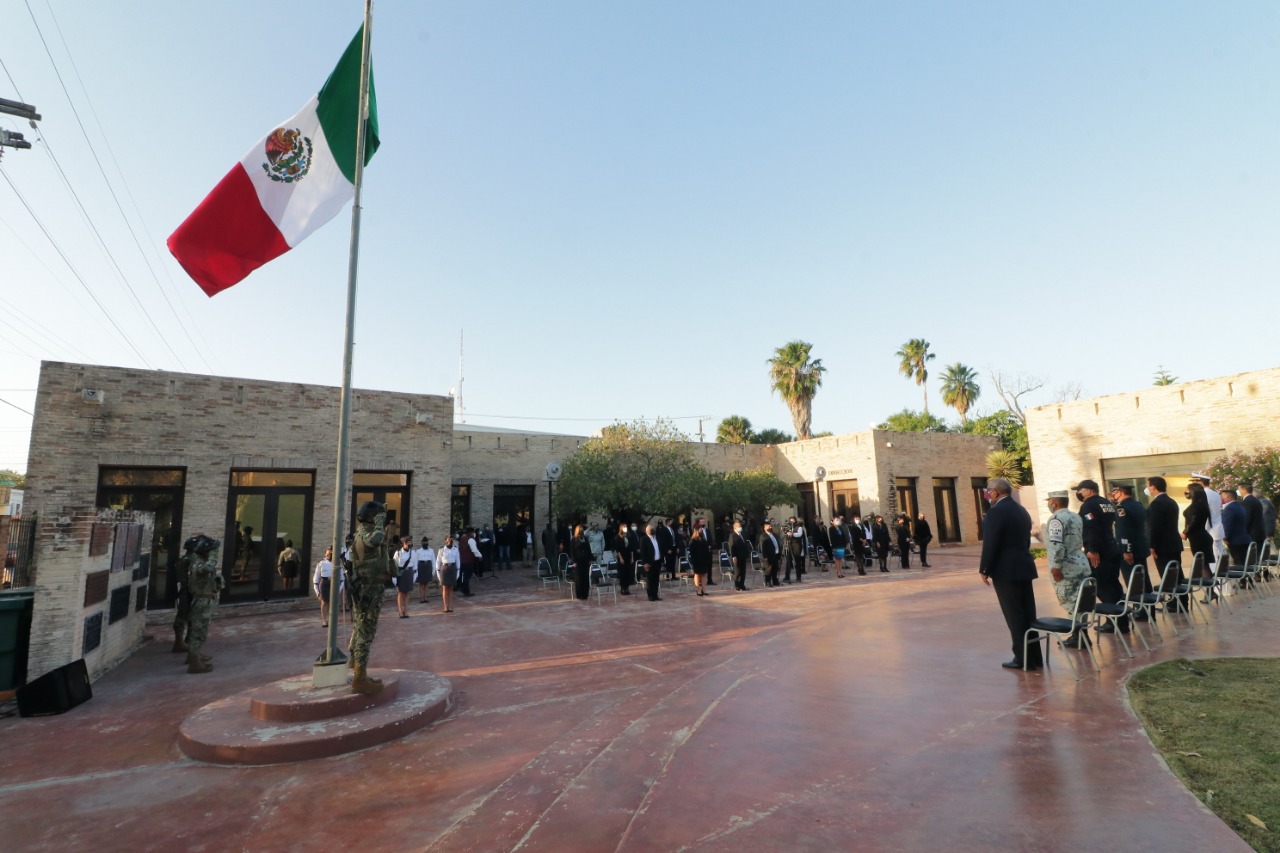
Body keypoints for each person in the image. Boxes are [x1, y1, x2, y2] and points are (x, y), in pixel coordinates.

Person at [978, 478, 1043, 671]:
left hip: (1006, 570)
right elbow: (1025, 541)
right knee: (1028, 614)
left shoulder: (995, 512)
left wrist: (984, 568)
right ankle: (1034, 657)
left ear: (995, 492)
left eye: (988, 491)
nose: (987, 494)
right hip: (1023, 566)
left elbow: (991, 543)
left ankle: (1022, 658)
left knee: (1014, 615)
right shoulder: (1020, 510)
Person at [1074, 479, 1127, 633]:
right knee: (1114, 585)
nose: (1078, 493)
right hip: (1112, 548)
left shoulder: (1088, 505)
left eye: (1080, 490)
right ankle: (1122, 621)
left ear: (1088, 491)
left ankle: (1114, 622)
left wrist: (1092, 549)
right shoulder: (1106, 503)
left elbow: (1092, 527)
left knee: (1103, 586)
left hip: (1100, 552)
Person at [348, 501, 391, 695]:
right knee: (366, 632)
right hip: (368, 591)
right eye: (379, 516)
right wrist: (380, 522)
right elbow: (376, 539)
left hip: (369, 588)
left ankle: (358, 668)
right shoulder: (366, 534)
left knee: (360, 627)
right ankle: (359, 678)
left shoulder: (361, 532)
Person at [1044, 490, 1090, 645]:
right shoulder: (1075, 516)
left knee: (1071, 603)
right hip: (1080, 563)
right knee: (1081, 602)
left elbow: (1056, 544)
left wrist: (1056, 566)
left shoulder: (1056, 519)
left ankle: (1078, 637)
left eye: (1049, 501)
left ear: (1054, 503)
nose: (1049, 504)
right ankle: (1083, 635)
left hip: (1066, 568)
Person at [1109, 483, 1152, 615]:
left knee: (1134, 582)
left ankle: (1141, 612)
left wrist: (1126, 550)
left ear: (1120, 492)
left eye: (1114, 493)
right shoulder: (1138, 504)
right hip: (1141, 547)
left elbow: (1124, 530)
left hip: (1131, 550)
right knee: (1143, 580)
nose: (1113, 495)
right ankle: (1148, 610)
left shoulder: (1121, 508)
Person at [185, 535, 224, 674]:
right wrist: (214, 554)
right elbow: (208, 567)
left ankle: (194, 657)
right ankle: (195, 664)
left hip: (203, 599)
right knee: (199, 631)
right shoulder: (200, 565)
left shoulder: (198, 562)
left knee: (198, 630)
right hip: (202, 600)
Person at [1145, 477, 1186, 604]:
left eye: (1148, 486)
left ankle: (1174, 603)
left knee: (1167, 575)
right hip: (1174, 543)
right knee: (1177, 573)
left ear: (1153, 487)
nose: (1147, 489)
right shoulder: (1171, 501)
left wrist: (1152, 545)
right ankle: (1182, 601)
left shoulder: (1156, 504)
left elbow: (1155, 527)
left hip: (1163, 545)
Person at [1181, 482, 1215, 578]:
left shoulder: (1196, 506)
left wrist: (1185, 532)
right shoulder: (1202, 504)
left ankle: (1209, 585)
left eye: (1188, 490)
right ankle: (1210, 584)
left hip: (1198, 538)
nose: (1186, 492)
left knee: (1203, 564)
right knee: (1205, 563)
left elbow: (1193, 521)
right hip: (1203, 536)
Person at [171, 535, 198, 654]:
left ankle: (183, 641)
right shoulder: (192, 559)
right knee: (187, 616)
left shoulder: (183, 559)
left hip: (183, 589)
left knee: (184, 615)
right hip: (188, 590)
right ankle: (182, 642)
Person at [1191, 472, 1225, 561]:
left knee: (1212, 555)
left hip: (1208, 528)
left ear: (1200, 482)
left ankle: (1215, 570)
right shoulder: (1215, 493)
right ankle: (1221, 568)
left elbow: (1201, 512)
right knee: (1219, 552)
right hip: (1216, 527)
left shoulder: (1203, 494)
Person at [1219, 489, 1251, 566]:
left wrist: (1225, 538)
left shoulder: (1229, 508)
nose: (1222, 499)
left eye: (1224, 497)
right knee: (1245, 562)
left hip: (1235, 541)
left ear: (1229, 498)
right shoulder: (1240, 507)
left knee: (1238, 563)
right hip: (1244, 539)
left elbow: (1227, 524)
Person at [313, 546, 342, 627]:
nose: (330, 555)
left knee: (333, 603)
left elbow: (342, 577)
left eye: (331, 553)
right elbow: (316, 577)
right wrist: (316, 590)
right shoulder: (321, 563)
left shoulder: (337, 563)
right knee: (324, 602)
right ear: (325, 553)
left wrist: (339, 589)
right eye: (328, 553)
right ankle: (324, 621)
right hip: (324, 583)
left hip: (334, 583)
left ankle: (331, 620)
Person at [640, 521, 664, 602]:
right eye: (652, 529)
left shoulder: (657, 538)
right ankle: (650, 595)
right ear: (647, 531)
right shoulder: (644, 539)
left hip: (657, 561)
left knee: (656, 579)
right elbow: (643, 552)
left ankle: (655, 594)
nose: (653, 530)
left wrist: (662, 560)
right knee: (650, 579)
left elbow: (660, 549)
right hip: (650, 563)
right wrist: (645, 563)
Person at [1238, 484, 1267, 550]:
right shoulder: (1256, 500)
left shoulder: (1247, 502)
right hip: (1259, 533)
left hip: (1251, 535)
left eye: (1239, 489)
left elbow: (1246, 519)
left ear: (1244, 490)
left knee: (1250, 555)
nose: (1238, 491)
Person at [436, 535, 459, 613]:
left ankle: (450, 606)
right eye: (449, 540)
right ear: (445, 541)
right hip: (444, 568)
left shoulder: (455, 549)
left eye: (451, 539)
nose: (450, 541)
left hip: (452, 568)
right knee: (445, 588)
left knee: (451, 588)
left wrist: (458, 572)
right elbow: (438, 561)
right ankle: (445, 606)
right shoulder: (442, 550)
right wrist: (438, 572)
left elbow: (458, 561)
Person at [727, 518, 752, 591]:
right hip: (737, 556)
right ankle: (737, 585)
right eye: (739, 527)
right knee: (737, 571)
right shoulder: (732, 536)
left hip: (743, 556)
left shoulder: (742, 535)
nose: (740, 528)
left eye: (740, 526)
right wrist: (733, 556)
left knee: (743, 571)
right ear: (735, 528)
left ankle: (742, 585)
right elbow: (731, 547)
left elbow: (745, 544)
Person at [393, 536, 415, 618]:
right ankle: (400, 611)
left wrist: (415, 575)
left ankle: (406, 611)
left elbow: (415, 564)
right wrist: (394, 577)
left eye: (410, 542)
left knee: (407, 592)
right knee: (401, 592)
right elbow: (394, 565)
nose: (409, 544)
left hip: (409, 572)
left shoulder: (413, 553)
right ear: (403, 544)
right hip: (400, 573)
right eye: (408, 543)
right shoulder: (398, 553)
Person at [689, 522, 712, 595]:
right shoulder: (693, 540)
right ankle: (698, 589)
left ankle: (704, 590)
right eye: (699, 529)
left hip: (704, 560)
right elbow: (692, 552)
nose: (701, 530)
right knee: (697, 574)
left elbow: (706, 550)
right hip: (697, 560)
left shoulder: (703, 539)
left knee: (704, 574)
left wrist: (707, 558)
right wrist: (693, 561)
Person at [571, 524, 593, 601]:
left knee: (585, 577)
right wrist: (574, 561)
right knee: (579, 578)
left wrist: (590, 559)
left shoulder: (585, 538)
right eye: (580, 529)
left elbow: (589, 549)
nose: (581, 530)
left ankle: (585, 594)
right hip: (578, 561)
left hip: (585, 560)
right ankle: (579, 594)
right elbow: (572, 551)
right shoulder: (574, 539)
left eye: (582, 529)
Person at [614, 521, 636, 595]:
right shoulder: (618, 537)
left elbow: (631, 548)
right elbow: (617, 549)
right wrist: (620, 558)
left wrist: (632, 557)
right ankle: (623, 588)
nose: (625, 528)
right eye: (624, 527)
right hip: (622, 556)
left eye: (626, 527)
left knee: (628, 572)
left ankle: (627, 587)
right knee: (622, 573)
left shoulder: (628, 537)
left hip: (628, 556)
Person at [458, 528, 481, 596]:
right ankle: (466, 591)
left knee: (462, 576)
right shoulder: (470, 540)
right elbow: (474, 550)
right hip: (468, 560)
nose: (474, 534)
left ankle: (462, 587)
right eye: (473, 533)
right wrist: (479, 556)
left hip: (461, 560)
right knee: (467, 576)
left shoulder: (462, 539)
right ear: (470, 533)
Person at [759, 520, 783, 587]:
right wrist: (765, 556)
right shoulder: (763, 536)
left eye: (770, 526)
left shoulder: (774, 535)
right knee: (768, 569)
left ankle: (775, 581)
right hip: (769, 555)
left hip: (776, 554)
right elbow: (762, 547)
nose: (770, 527)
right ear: (764, 528)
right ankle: (768, 582)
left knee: (775, 568)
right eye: (768, 526)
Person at [784, 516, 807, 583]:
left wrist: (792, 534)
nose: (791, 522)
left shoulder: (799, 527)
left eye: (793, 520)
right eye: (790, 521)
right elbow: (785, 534)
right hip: (789, 544)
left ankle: (798, 577)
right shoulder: (788, 527)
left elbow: (799, 534)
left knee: (797, 561)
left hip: (796, 545)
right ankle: (787, 577)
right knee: (788, 561)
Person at [415, 536, 435, 603]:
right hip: (421, 566)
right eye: (424, 542)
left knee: (426, 583)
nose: (425, 543)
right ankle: (421, 598)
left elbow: (433, 561)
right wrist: (416, 571)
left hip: (428, 565)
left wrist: (433, 570)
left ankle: (425, 597)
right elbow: (416, 561)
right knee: (421, 583)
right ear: (421, 543)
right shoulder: (418, 551)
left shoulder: (431, 550)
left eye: (426, 542)